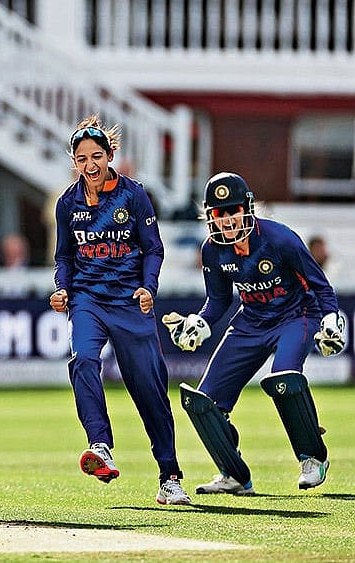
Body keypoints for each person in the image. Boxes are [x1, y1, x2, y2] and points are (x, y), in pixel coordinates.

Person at [162, 172, 342, 496]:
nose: (228, 220)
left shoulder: (280, 239)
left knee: (283, 377)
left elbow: (320, 286)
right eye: (220, 213)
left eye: (233, 210)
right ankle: (233, 474)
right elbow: (217, 301)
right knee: (205, 402)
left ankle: (313, 457)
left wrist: (331, 318)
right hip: (251, 320)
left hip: (295, 314)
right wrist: (199, 323)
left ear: (247, 208)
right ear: (210, 217)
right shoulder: (213, 251)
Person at [49, 115, 191, 506]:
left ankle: (170, 476)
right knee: (82, 359)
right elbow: (64, 256)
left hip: (130, 301)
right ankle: (101, 444)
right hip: (88, 300)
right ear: (74, 161)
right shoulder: (67, 203)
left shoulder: (134, 195)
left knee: (149, 391)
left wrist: (149, 287)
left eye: (97, 156)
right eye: (81, 158)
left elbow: (153, 248)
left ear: (111, 155)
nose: (89, 164)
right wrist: (62, 288)